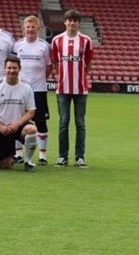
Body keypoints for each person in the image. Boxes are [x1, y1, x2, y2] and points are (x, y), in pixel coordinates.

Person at [51, 9, 93, 168]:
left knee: (80, 123)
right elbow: (55, 62)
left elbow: (88, 63)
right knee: (63, 122)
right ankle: (62, 156)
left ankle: (79, 157)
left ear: (78, 23)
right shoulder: (56, 40)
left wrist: (81, 76)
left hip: (81, 89)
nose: (72, 23)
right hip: (62, 88)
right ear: (65, 22)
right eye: (69, 20)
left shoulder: (86, 40)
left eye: (75, 20)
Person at [0, 56, 38, 172]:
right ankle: (9, 157)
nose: (12, 70)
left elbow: (31, 111)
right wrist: (0, 126)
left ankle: (28, 162)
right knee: (4, 166)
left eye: (14, 68)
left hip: (19, 126)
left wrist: (17, 123)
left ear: (19, 69)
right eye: (9, 68)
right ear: (4, 69)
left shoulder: (26, 87)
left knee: (31, 129)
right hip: (2, 128)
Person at [13, 15, 52, 165]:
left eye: (33, 27)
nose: (30, 29)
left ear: (38, 28)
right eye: (27, 27)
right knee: (18, 120)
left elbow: (49, 67)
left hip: (39, 90)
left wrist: (39, 80)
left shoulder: (44, 46)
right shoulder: (17, 46)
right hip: (21, 89)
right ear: (24, 28)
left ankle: (42, 156)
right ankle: (18, 154)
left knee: (41, 121)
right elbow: (14, 66)